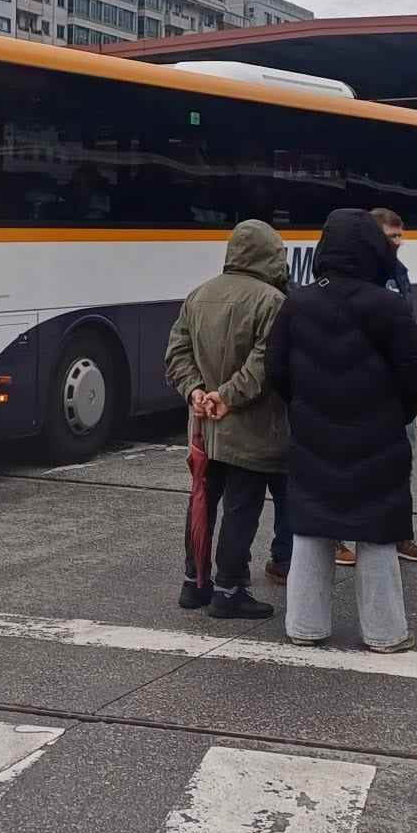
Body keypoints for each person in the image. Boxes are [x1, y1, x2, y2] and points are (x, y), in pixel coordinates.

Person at [266, 209, 417, 652]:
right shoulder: (387, 304)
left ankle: (304, 625)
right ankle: (384, 632)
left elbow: (275, 369)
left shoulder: (297, 301)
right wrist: (395, 414)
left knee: (311, 528)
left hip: (313, 433)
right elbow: (415, 375)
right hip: (376, 435)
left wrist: (303, 406)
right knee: (376, 532)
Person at [165, 220, 290, 619]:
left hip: (203, 424)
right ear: (271, 255)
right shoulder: (272, 301)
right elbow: (265, 363)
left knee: (202, 499)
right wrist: (228, 396)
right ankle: (229, 588)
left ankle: (194, 582)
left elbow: (176, 356)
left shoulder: (198, 295)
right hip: (249, 424)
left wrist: (195, 391)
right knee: (242, 504)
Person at [340, 208, 417, 566]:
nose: (399, 242)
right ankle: (335, 536)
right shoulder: (359, 278)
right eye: (392, 237)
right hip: (363, 386)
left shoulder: (399, 273)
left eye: (400, 236)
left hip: (394, 389)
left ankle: (399, 534)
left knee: (401, 459)